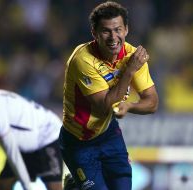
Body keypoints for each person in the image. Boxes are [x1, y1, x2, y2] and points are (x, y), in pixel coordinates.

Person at [59, 1, 159, 190]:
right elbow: (104, 105)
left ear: (126, 30)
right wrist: (129, 71)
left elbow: (152, 102)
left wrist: (130, 106)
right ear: (94, 33)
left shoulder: (132, 55)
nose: (113, 37)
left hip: (108, 134)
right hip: (79, 141)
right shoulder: (83, 59)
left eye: (118, 29)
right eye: (106, 31)